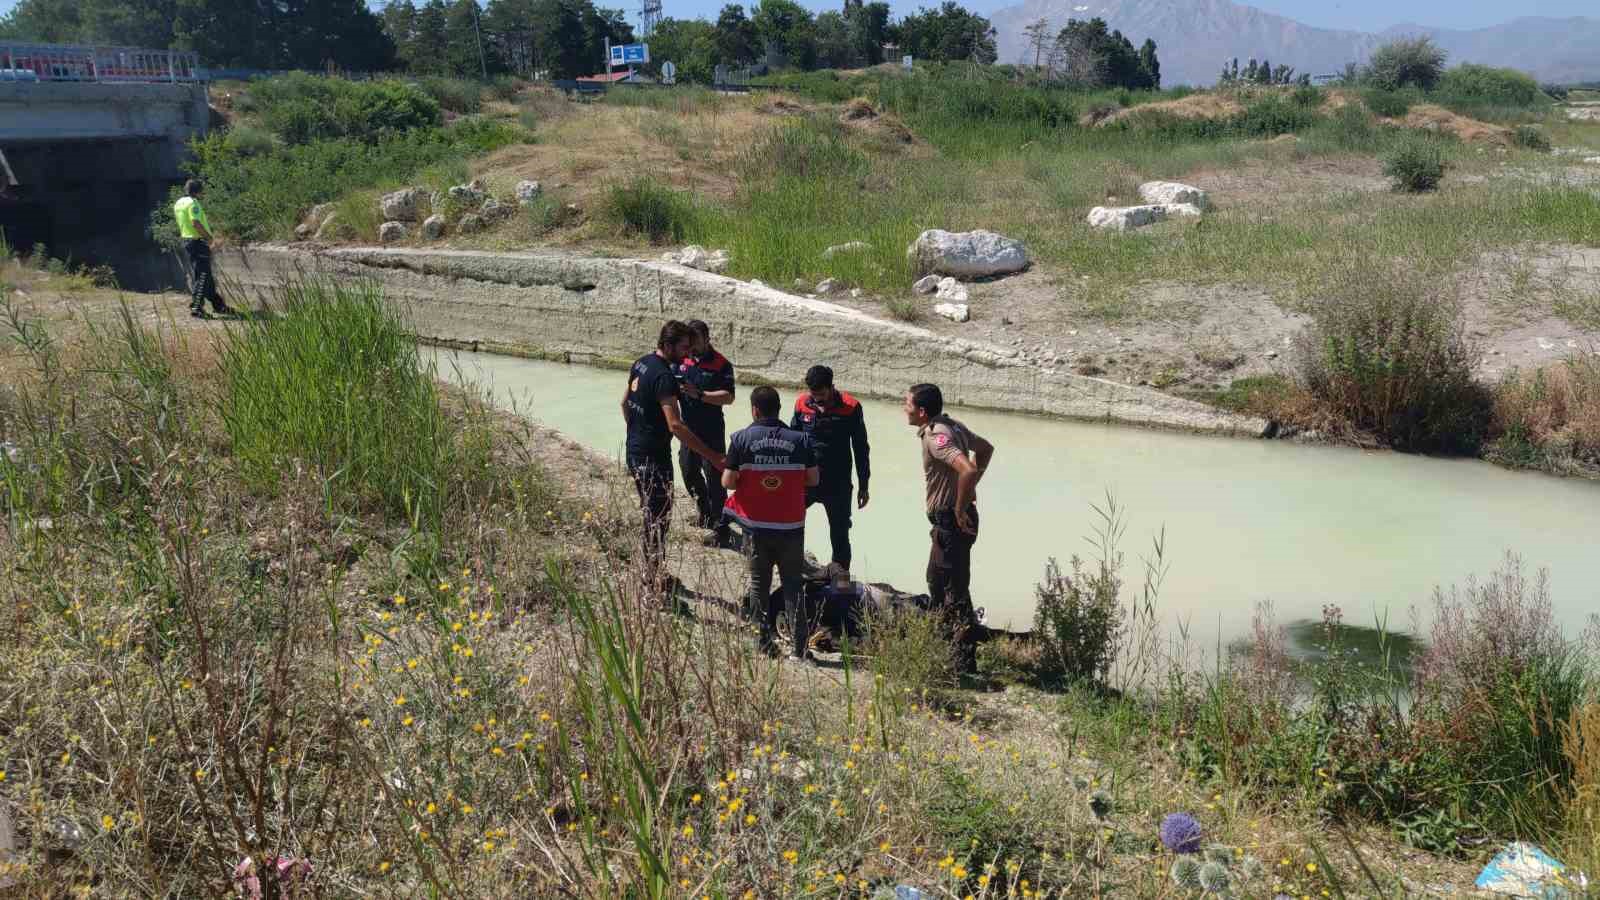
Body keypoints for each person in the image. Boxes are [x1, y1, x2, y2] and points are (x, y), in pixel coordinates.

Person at [622, 321, 726, 595]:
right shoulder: (664, 377)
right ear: (667, 346)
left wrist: (636, 434)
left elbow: (624, 404)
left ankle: (651, 571)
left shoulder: (641, 363)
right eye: (682, 347)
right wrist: (713, 456)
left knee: (651, 514)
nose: (686, 352)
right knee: (658, 518)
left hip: (634, 450)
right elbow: (676, 426)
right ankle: (652, 578)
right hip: (653, 457)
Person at [721, 386, 819, 659]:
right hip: (790, 527)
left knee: (758, 585)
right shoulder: (801, 440)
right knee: (792, 586)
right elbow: (813, 479)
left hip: (756, 527)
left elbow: (727, 481)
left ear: (754, 409)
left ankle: (763, 644)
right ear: (779, 409)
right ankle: (799, 651)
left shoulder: (741, 439)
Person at [904, 382, 994, 675]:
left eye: (907, 404)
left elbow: (967, 468)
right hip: (951, 522)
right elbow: (985, 449)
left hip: (952, 521)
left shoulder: (936, 437)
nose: (904, 409)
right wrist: (967, 492)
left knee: (949, 589)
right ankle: (950, 649)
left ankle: (961, 661)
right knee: (941, 582)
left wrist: (960, 503)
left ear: (921, 410)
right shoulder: (952, 425)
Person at [790, 365, 870, 578]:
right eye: (814, 395)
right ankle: (793, 569)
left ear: (832, 387)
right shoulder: (801, 404)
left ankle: (841, 584)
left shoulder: (851, 407)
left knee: (840, 533)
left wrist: (864, 485)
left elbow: (861, 447)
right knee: (791, 523)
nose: (818, 400)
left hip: (838, 484)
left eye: (822, 395)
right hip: (806, 480)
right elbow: (792, 442)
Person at [675, 320, 736, 547]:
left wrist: (700, 394)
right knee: (688, 471)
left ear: (707, 338)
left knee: (715, 478)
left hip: (711, 430)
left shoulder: (721, 364)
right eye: (689, 341)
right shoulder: (683, 359)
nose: (692, 345)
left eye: (696, 340)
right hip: (687, 430)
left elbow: (729, 397)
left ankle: (722, 528)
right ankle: (705, 513)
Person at [172, 179, 232, 319]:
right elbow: (196, 223)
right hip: (197, 242)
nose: (203, 194)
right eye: (202, 191)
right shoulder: (193, 204)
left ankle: (219, 305)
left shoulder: (179, 203)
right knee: (202, 276)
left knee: (206, 275)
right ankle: (196, 307)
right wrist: (210, 239)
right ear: (198, 191)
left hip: (188, 241)